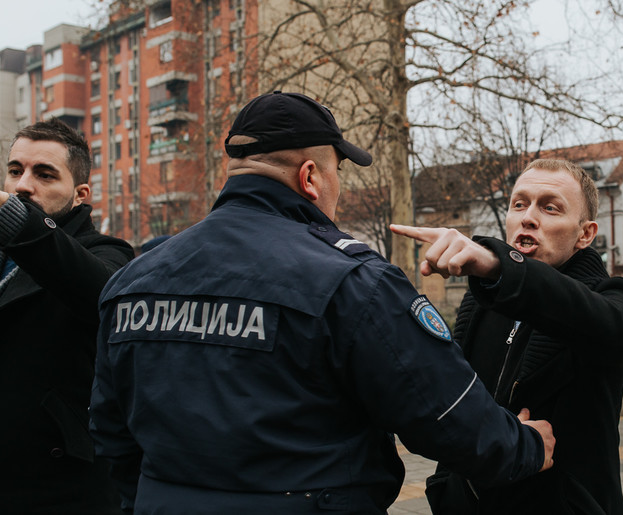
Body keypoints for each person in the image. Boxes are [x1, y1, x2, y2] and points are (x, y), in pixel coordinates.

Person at [89, 91, 555, 514]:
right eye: (338, 175)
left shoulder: (137, 276)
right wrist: (525, 446)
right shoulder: (354, 281)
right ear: (311, 177)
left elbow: (110, 433)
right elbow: (450, 420)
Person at [391, 158, 623, 514]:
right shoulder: (481, 304)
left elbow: (604, 324)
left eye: (550, 208)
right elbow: (446, 396)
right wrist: (451, 484)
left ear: (585, 233)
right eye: (519, 204)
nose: (528, 217)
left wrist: (497, 264)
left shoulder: (614, 299)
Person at [0, 118, 133, 513]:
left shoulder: (108, 252)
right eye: (14, 171)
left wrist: (16, 220)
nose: (23, 185)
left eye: (44, 174)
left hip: (61, 486)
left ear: (79, 194)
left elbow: (96, 290)